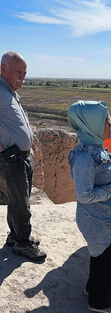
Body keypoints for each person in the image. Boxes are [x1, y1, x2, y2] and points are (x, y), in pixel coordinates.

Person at [66, 100, 111, 313]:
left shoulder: (95, 149)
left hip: (103, 217)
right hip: (96, 219)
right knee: (105, 260)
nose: (110, 125)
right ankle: (99, 302)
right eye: (106, 122)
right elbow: (84, 195)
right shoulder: (85, 156)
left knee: (101, 257)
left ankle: (92, 289)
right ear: (91, 125)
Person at [0, 51, 44, 262]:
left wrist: (28, 147)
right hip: (12, 157)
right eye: (18, 71)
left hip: (22, 156)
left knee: (17, 200)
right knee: (22, 203)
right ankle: (23, 244)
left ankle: (15, 236)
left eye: (24, 73)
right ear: (3, 68)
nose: (22, 77)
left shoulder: (9, 91)